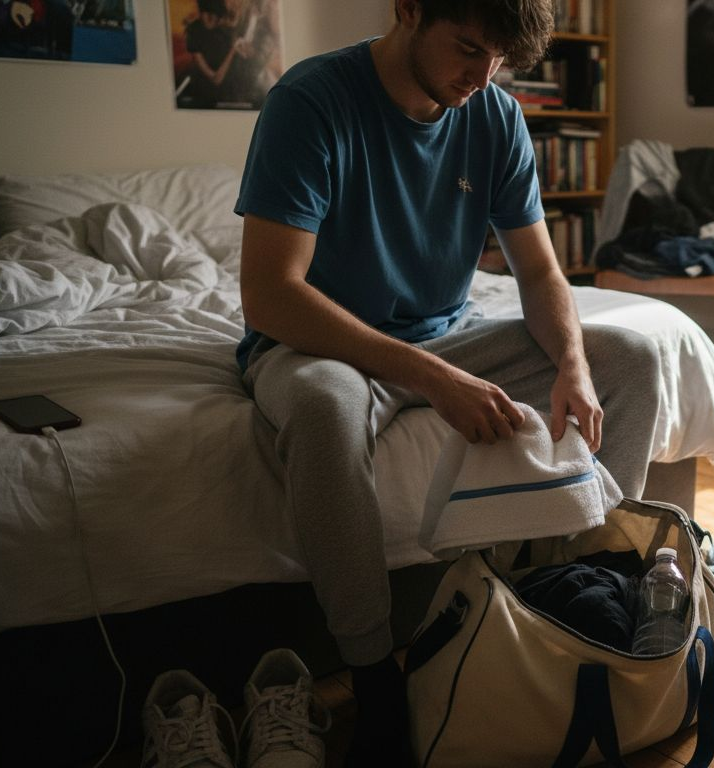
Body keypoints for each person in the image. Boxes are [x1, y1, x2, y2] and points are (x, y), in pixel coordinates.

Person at [234, 0, 661, 764]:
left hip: (446, 335)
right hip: (318, 343)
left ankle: (583, 594)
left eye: (499, 60)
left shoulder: (493, 114)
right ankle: (372, 674)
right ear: (407, 10)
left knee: (632, 356)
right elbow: (270, 293)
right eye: (468, 49)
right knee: (326, 412)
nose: (482, 77)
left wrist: (572, 366)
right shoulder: (310, 102)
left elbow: (536, 268)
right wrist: (432, 378)